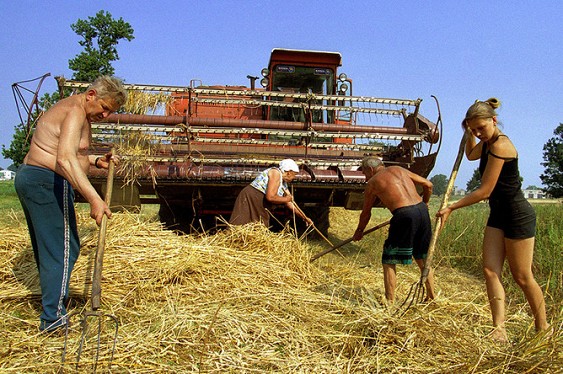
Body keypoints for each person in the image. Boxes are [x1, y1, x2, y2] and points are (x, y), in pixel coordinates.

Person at [14, 75, 127, 333]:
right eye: (105, 108)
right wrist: (94, 199)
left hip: (34, 178)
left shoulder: (74, 110)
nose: (106, 115)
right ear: (91, 95)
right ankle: (53, 319)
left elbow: (69, 152)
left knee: (59, 248)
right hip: (46, 181)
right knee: (63, 249)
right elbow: (64, 160)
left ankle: (52, 309)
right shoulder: (76, 110)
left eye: (111, 112)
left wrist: (97, 160)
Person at [436, 98, 549, 342]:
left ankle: (543, 328)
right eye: (473, 128)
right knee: (490, 270)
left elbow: (485, 190)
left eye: (481, 128)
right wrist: (469, 134)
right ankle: (499, 329)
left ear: (494, 121)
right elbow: (470, 155)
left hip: (517, 214)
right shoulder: (486, 144)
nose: (478, 133)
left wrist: (452, 207)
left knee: (522, 276)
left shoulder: (502, 146)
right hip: (498, 214)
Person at [353, 156, 435, 304]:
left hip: (403, 214)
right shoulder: (399, 169)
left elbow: (366, 213)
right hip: (422, 211)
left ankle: (389, 302)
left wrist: (359, 231)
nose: (365, 178)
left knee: (389, 259)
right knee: (422, 257)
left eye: (365, 173)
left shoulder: (372, 183)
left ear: (371, 170)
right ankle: (431, 297)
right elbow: (428, 185)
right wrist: (426, 202)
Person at [229, 159, 312, 227]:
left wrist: (304, 217)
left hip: (258, 200)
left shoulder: (283, 183)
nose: (293, 178)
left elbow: (290, 203)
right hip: (252, 197)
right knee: (242, 223)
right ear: (289, 172)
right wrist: (286, 198)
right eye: (294, 175)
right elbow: (270, 197)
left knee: (259, 226)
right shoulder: (276, 173)